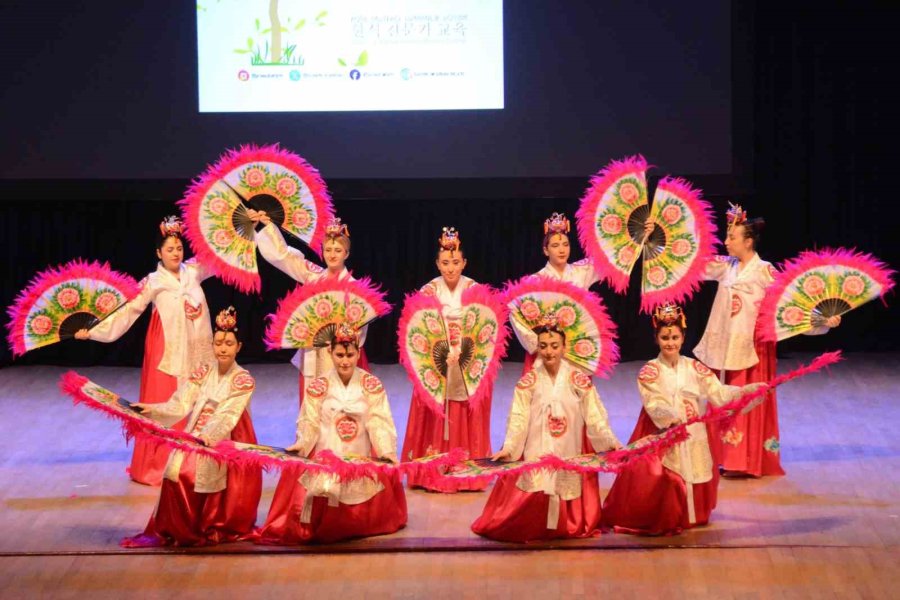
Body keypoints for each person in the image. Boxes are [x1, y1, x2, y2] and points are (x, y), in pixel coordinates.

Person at [692, 204, 839, 476]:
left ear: (748, 241)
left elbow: (791, 304)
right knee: (720, 398)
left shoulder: (765, 272)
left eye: (732, 237)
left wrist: (821, 319)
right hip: (723, 344)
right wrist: (655, 240)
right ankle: (720, 456)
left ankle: (745, 461)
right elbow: (689, 262)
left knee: (748, 400)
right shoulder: (725, 267)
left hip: (753, 346)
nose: (726, 242)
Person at [602, 304, 766, 535]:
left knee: (696, 468)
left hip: (695, 430)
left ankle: (693, 515)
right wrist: (670, 418)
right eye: (665, 337)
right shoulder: (650, 371)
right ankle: (669, 514)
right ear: (657, 339)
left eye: (675, 337)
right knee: (664, 475)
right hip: (666, 432)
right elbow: (653, 402)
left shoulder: (696, 367)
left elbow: (719, 393)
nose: (670, 342)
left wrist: (748, 391)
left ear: (683, 338)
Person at [75, 216, 215, 485]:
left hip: (198, 347)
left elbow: (219, 258)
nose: (176, 253)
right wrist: (93, 331)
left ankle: (197, 463)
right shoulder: (152, 281)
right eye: (170, 249)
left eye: (179, 248)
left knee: (200, 398)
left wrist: (245, 231)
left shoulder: (194, 271)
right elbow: (127, 311)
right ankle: (161, 465)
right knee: (165, 402)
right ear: (158, 253)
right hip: (168, 349)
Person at [121, 307, 262, 547]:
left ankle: (209, 523)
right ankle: (176, 526)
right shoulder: (204, 371)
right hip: (196, 430)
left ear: (239, 347)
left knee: (196, 472)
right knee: (174, 471)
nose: (223, 348)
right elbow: (181, 402)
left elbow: (228, 414)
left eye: (229, 343)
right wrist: (152, 409)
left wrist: (210, 436)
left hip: (225, 435)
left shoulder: (243, 379)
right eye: (219, 343)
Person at [471, 317, 621, 542]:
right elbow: (518, 418)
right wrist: (510, 447)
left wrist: (609, 441)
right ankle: (540, 524)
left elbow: (595, 415)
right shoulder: (528, 382)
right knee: (538, 484)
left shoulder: (578, 380)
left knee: (565, 482)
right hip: (537, 445)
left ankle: (564, 525)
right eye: (543, 346)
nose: (549, 352)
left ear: (564, 347)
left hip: (568, 446)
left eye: (554, 346)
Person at [255, 323, 406, 544]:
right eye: (339, 355)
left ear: (358, 354)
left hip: (357, 458)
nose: (345, 361)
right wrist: (302, 443)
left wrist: (386, 450)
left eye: (350, 355)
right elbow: (309, 420)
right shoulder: (319, 385)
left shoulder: (371, 385)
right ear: (330, 352)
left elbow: (379, 421)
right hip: (328, 457)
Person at [248, 210, 370, 407]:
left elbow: (360, 330)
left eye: (338, 250)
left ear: (346, 254)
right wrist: (265, 225)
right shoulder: (313, 275)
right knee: (313, 407)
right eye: (328, 249)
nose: (332, 255)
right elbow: (284, 257)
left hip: (342, 355)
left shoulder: (354, 288)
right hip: (314, 354)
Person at [402, 227, 492, 492]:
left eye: (455, 262)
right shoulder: (428, 290)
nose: (450, 268)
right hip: (436, 360)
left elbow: (485, 328)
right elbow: (417, 328)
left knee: (464, 408)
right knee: (434, 409)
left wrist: (464, 349)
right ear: (437, 264)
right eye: (445, 263)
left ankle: (466, 466)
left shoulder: (475, 289)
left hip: (467, 358)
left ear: (464, 262)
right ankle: (432, 468)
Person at [510, 213, 603, 374]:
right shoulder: (535, 281)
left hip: (574, 348)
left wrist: (641, 235)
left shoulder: (582, 270)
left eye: (565, 244)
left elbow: (608, 259)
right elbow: (515, 313)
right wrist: (537, 343)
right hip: (547, 349)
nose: (562, 250)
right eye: (555, 246)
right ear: (546, 250)